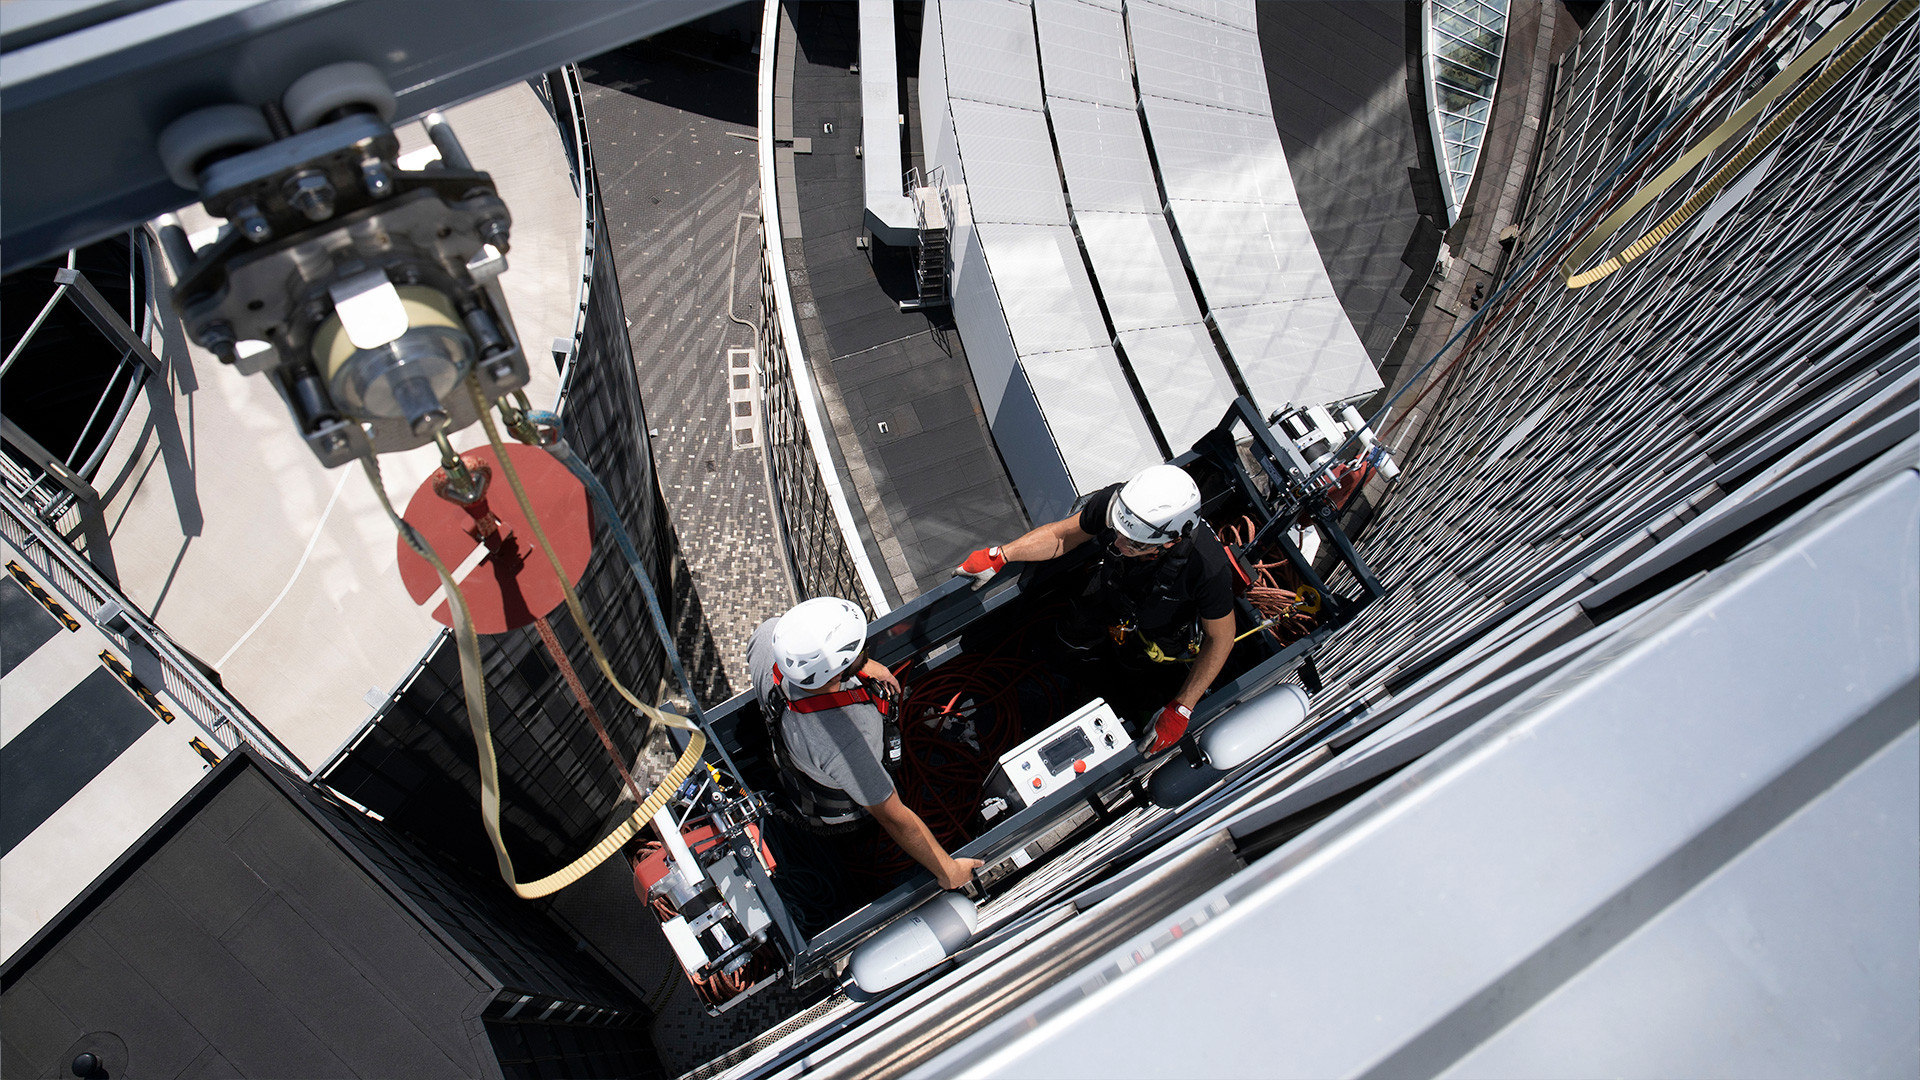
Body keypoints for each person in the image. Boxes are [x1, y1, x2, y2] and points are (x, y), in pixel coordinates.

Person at [956, 464, 1236, 755]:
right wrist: (1001, 555)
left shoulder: (1207, 569)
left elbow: (1222, 636)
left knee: (1134, 671)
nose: (1117, 542)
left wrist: (1182, 706)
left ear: (1171, 540)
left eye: (1133, 542)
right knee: (1070, 634)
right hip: (1112, 594)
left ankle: (1127, 695)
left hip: (1157, 631)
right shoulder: (1120, 504)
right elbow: (1063, 536)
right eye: (1118, 531)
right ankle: (1069, 666)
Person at [747, 596, 982, 890]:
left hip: (801, 770)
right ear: (837, 671)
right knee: (876, 822)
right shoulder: (846, 740)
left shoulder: (768, 636)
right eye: (861, 651)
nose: (865, 652)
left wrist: (860, 666)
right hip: (844, 815)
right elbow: (895, 818)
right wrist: (948, 870)